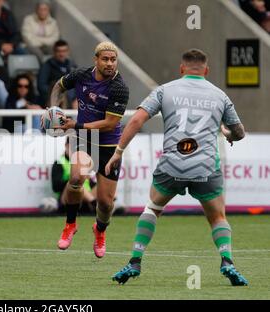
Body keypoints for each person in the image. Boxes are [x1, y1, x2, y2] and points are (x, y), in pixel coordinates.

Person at [105, 49, 249, 286]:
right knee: (217, 217)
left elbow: (137, 120)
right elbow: (240, 132)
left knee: (152, 208)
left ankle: (135, 261)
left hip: (172, 165)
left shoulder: (165, 90)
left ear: (181, 69)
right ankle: (227, 262)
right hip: (205, 167)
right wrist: (226, 131)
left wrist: (118, 152)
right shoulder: (219, 95)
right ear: (207, 71)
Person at [50, 41, 129, 258]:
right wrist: (54, 110)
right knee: (77, 177)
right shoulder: (82, 75)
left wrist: (74, 125)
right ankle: (70, 224)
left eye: (113, 60)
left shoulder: (119, 87)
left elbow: (110, 123)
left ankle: (100, 230)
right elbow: (58, 86)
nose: (110, 63)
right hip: (84, 139)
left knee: (105, 203)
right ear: (96, 60)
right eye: (105, 59)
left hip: (109, 145)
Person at [52, 137, 97, 213]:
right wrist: (72, 178)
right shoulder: (60, 162)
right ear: (66, 146)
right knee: (75, 181)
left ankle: (106, 207)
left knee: (105, 184)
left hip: (86, 196)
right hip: (67, 197)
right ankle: (94, 203)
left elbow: (90, 184)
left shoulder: (84, 162)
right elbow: (56, 187)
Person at [38, 40, 77, 107]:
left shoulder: (72, 66)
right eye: (59, 51)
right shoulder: (47, 65)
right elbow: (42, 86)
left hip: (71, 102)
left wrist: (76, 98)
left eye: (64, 51)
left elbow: (77, 84)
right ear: (54, 52)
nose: (61, 54)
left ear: (68, 51)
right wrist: (56, 94)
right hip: (53, 101)